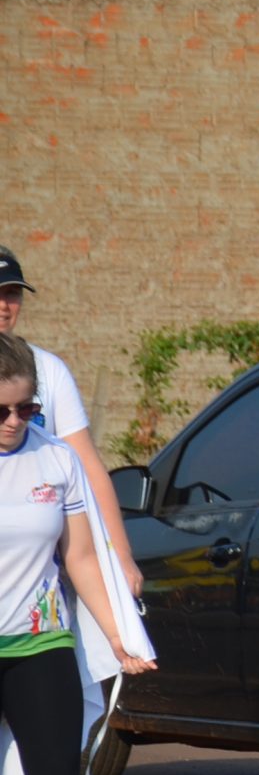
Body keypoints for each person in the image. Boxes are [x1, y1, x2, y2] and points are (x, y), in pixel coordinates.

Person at [0, 333, 154, 775]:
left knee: (58, 773)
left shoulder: (56, 460)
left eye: (27, 409)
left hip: (39, 641)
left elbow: (83, 558)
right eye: (2, 411)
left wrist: (120, 636)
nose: (15, 422)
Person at [0, 246, 144, 597]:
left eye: (12, 294)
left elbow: (86, 465)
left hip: (36, 570)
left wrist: (120, 556)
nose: (4, 306)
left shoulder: (48, 370)